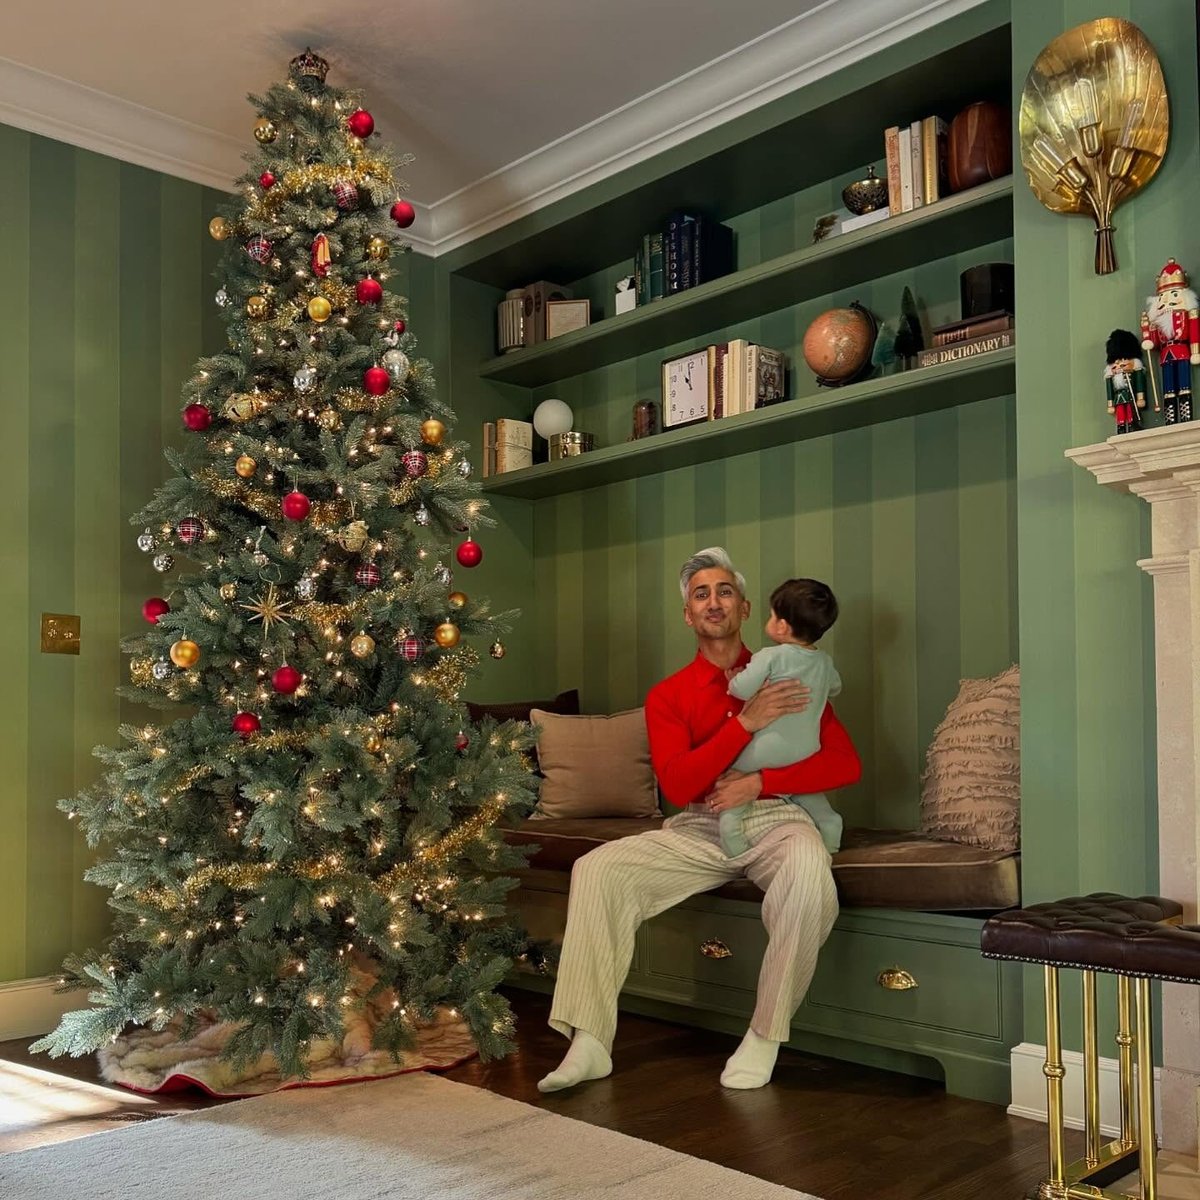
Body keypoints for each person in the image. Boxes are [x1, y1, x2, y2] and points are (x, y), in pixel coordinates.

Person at [537, 547, 861, 1095]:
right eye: (701, 594)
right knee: (597, 868)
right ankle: (590, 1042)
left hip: (776, 819)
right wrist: (746, 724)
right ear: (689, 615)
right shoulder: (668, 696)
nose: (714, 602)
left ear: (745, 606)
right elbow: (679, 785)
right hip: (700, 826)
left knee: (810, 871)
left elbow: (844, 762)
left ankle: (764, 1036)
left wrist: (761, 782)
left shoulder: (789, 667)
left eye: (725, 591)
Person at [722, 578, 842, 858]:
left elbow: (743, 689)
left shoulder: (771, 656)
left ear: (782, 626)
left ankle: (733, 842)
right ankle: (829, 825)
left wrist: (732, 680)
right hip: (806, 750)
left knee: (733, 775)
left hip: (770, 749)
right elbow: (836, 687)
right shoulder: (823, 662)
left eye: (772, 614)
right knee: (801, 788)